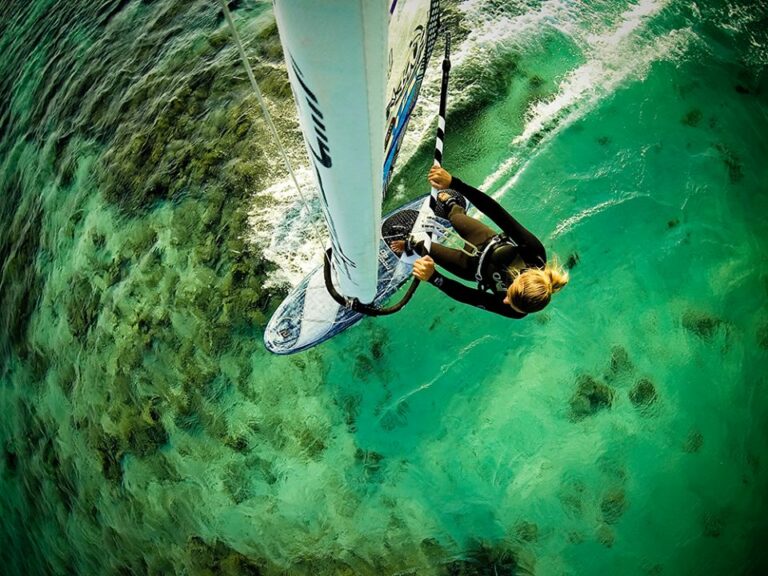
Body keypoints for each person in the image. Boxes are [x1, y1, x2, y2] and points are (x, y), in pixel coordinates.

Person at [391, 166, 568, 318]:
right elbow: (496, 212)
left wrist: (433, 277)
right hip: (485, 239)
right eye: (509, 296)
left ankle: (410, 243)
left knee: (421, 247)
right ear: (520, 277)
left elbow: (470, 297)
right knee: (456, 218)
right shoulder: (534, 253)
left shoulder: (516, 311)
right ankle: (453, 204)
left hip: (470, 268)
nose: (505, 301)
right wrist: (454, 183)